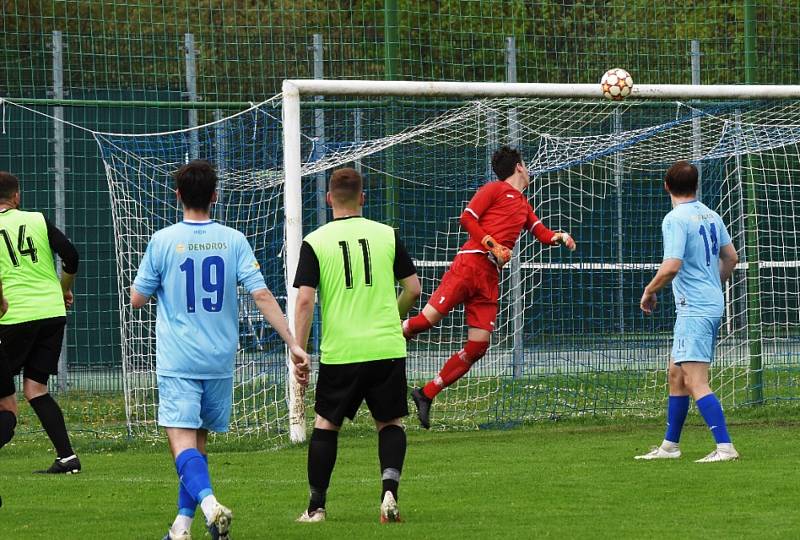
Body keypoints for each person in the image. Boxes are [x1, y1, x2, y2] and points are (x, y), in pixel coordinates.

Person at [130, 160, 310, 540]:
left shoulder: (163, 240)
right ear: (215, 196)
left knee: (181, 444)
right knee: (198, 443)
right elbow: (261, 294)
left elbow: (137, 299)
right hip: (219, 360)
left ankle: (211, 505)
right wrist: (293, 343)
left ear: (178, 195)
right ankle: (182, 527)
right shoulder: (233, 240)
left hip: (179, 360)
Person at [402, 146, 576, 428]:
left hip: (490, 278)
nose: (528, 170)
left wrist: (560, 236)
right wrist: (493, 244)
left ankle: (426, 393)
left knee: (478, 346)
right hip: (470, 266)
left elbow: (542, 234)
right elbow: (467, 218)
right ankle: (388, 336)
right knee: (426, 321)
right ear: (519, 167)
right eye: (526, 165)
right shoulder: (494, 189)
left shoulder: (523, 204)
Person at [292, 167, 421, 524]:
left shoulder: (315, 241)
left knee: (325, 425)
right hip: (385, 347)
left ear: (328, 198)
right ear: (363, 198)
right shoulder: (387, 235)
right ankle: (389, 494)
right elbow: (413, 289)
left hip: (342, 351)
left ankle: (316, 507)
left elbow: (304, 301)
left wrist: (299, 352)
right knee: (390, 422)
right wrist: (390, 319)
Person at [635, 160, 740, 463]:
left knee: (695, 380)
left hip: (694, 308)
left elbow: (671, 266)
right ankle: (670, 446)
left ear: (666, 186)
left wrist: (649, 290)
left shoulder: (675, 219)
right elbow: (730, 257)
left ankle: (725, 447)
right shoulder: (710, 214)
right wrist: (711, 284)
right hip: (707, 303)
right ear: (696, 186)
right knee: (676, 375)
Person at [0, 171, 80, 473]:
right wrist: (63, 288)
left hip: (13, 316)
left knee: (5, 398)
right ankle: (67, 457)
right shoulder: (37, 219)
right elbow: (71, 256)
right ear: (16, 196)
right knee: (35, 388)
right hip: (51, 313)